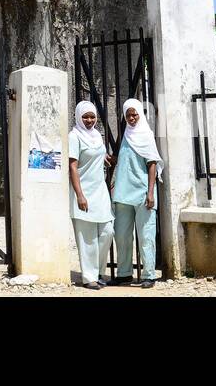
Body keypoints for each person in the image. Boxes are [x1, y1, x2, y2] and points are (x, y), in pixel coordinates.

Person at [110, 97, 162, 288]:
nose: (131, 118)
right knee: (121, 235)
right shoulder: (125, 135)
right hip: (123, 193)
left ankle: (149, 274)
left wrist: (150, 192)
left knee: (146, 235)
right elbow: (123, 160)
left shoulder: (146, 136)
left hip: (142, 193)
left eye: (134, 114)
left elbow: (152, 164)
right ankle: (124, 274)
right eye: (128, 115)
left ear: (140, 114)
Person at [68, 100, 114, 289]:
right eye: (85, 117)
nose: (89, 120)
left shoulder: (96, 136)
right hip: (84, 191)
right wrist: (79, 195)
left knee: (107, 232)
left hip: (100, 191)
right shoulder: (74, 136)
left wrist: (105, 158)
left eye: (92, 116)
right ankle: (89, 277)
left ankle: (99, 272)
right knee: (87, 238)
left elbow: (97, 154)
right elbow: (72, 167)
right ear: (79, 117)